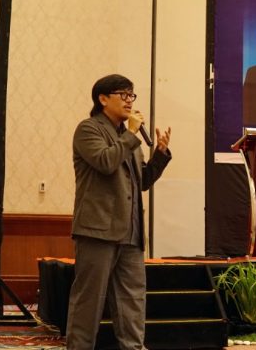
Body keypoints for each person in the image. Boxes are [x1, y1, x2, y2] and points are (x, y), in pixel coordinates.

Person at [66, 74, 172, 349]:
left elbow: (142, 181)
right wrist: (131, 135)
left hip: (131, 233)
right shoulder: (88, 129)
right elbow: (105, 162)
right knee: (89, 300)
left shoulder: (128, 138)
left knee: (132, 301)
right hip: (98, 230)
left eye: (131, 95)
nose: (129, 101)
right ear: (103, 99)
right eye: (123, 95)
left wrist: (160, 154)